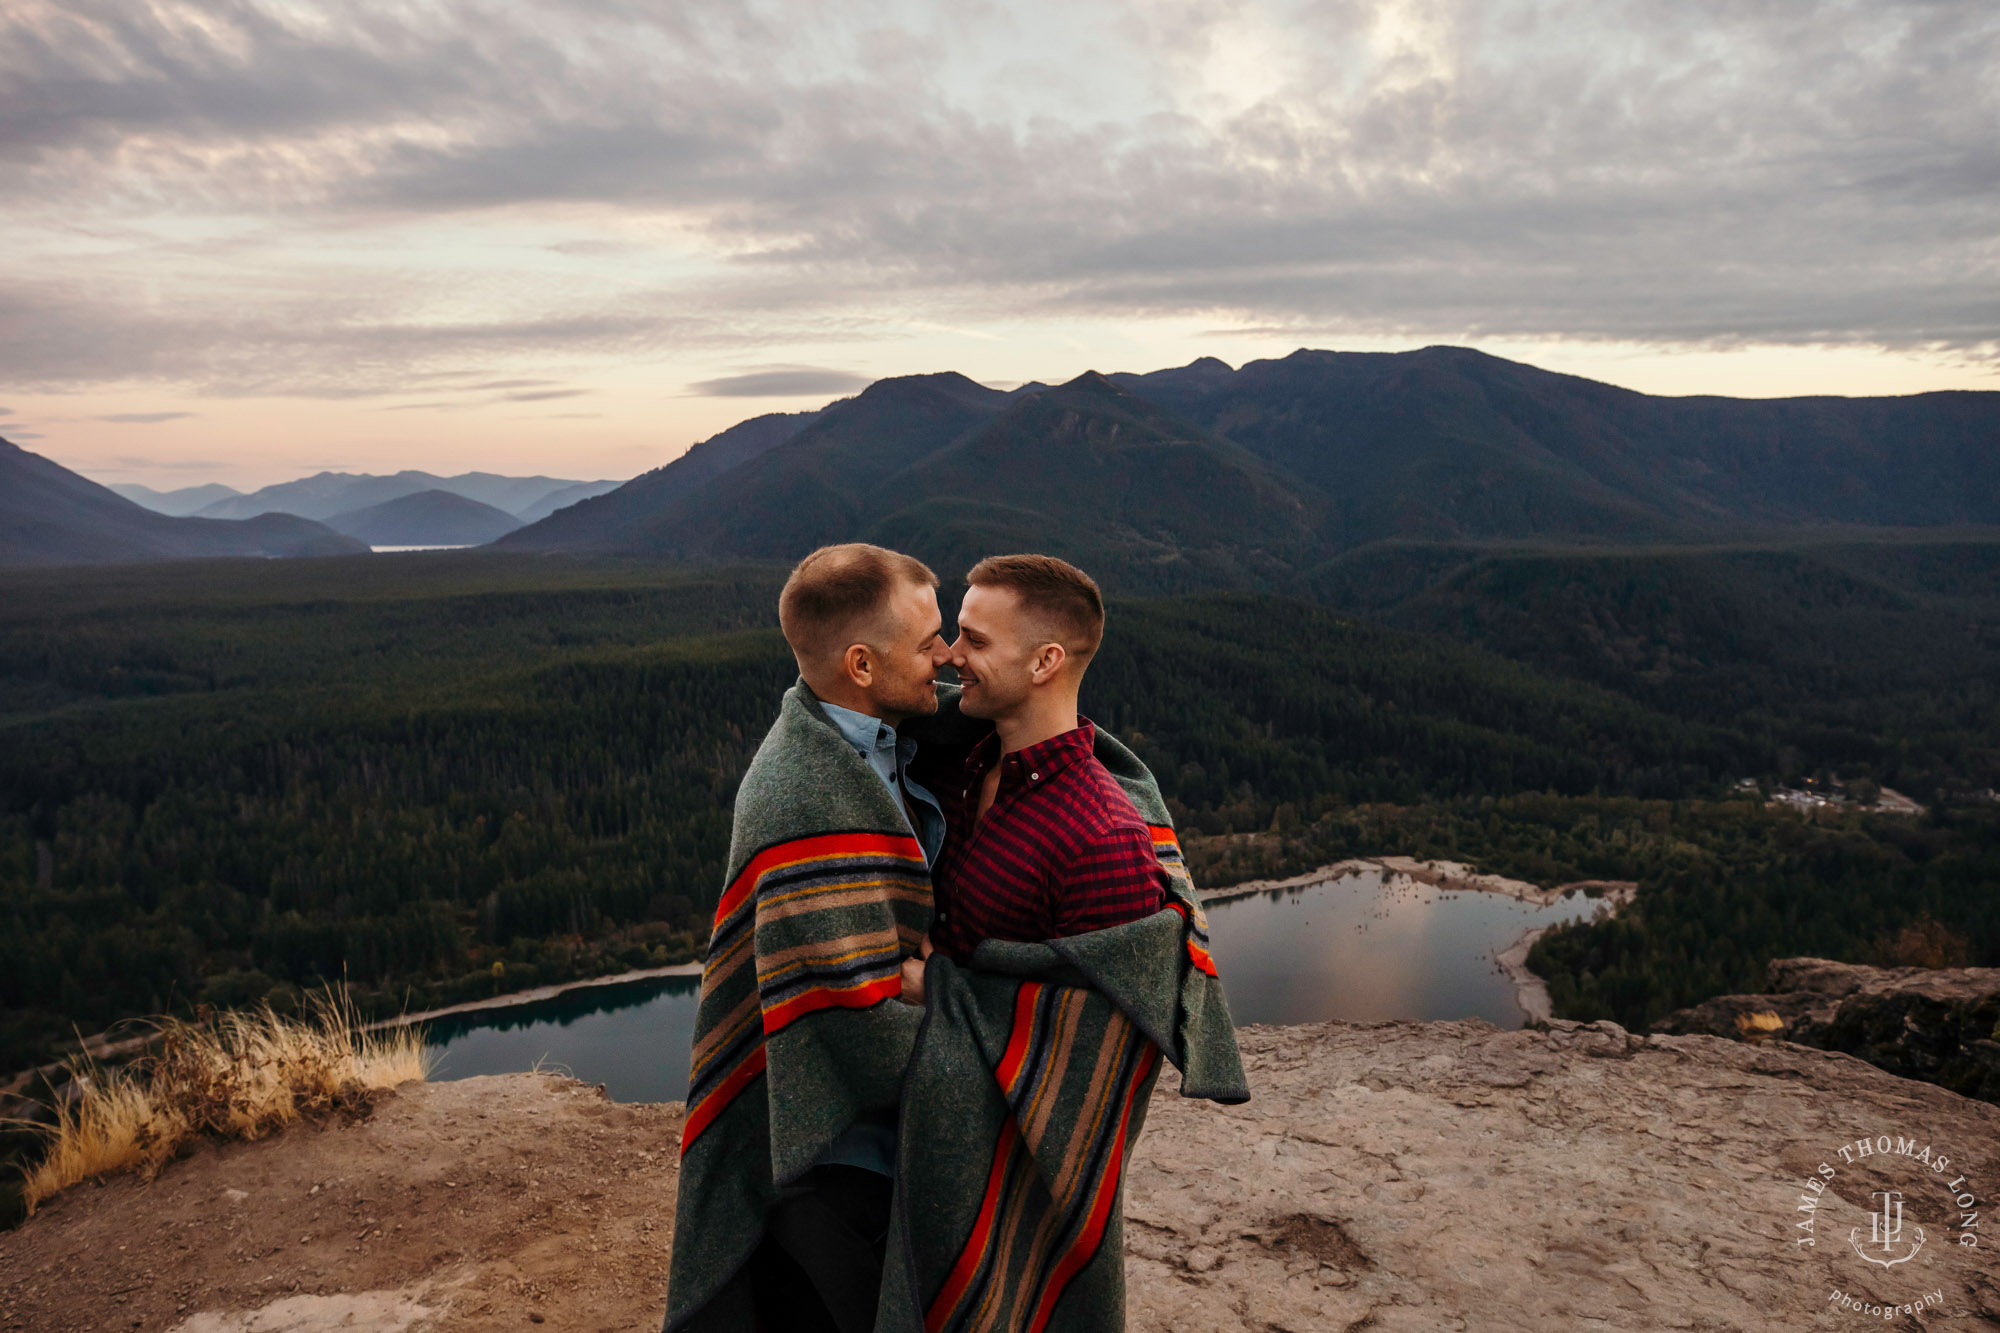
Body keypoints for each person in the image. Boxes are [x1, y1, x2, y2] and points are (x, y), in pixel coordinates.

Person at [663, 542, 951, 1333]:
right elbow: (852, 1031)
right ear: (861, 664)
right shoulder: (799, 793)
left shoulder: (880, 736)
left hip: (880, 1157)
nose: (948, 655)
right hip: (833, 1170)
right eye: (929, 641)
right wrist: (970, 997)